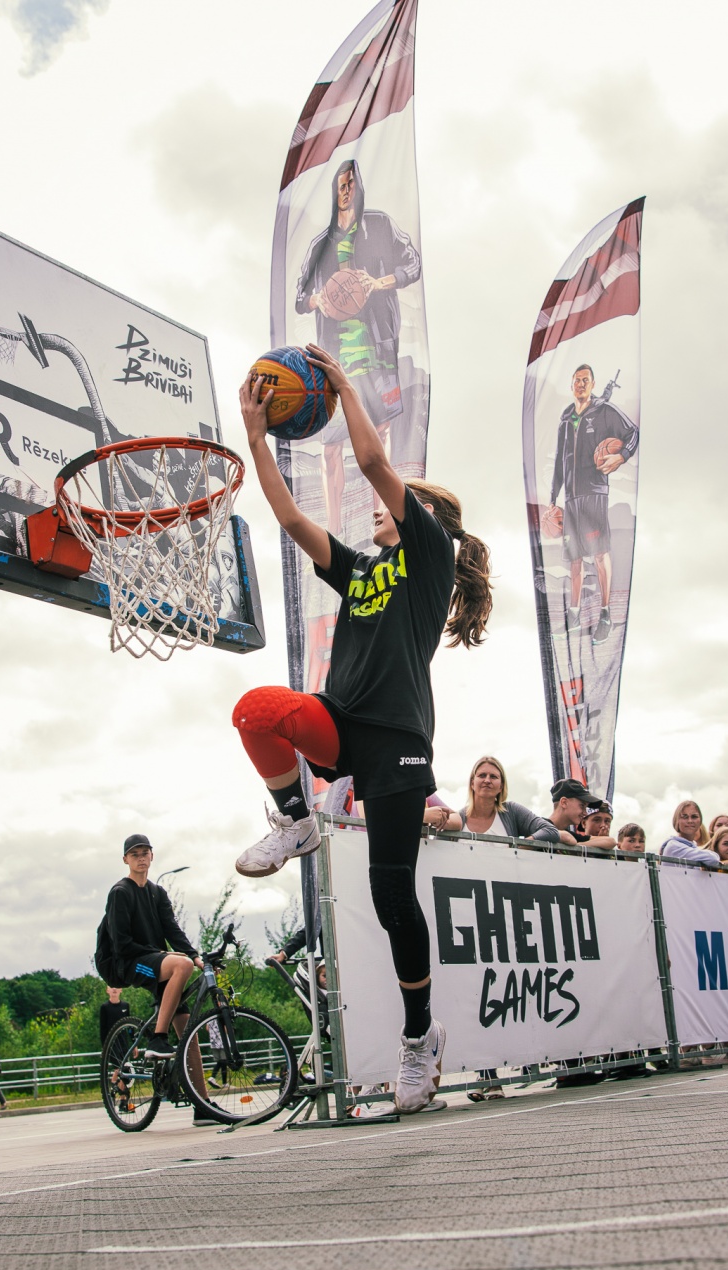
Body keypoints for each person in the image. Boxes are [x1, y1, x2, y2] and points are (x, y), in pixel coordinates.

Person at [233, 345, 493, 1113]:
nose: (378, 507)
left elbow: (375, 463)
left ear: (422, 519)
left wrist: (343, 385)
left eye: (392, 504)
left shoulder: (429, 557)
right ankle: (296, 822)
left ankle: (419, 1037)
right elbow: (290, 518)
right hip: (343, 723)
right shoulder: (360, 570)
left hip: (398, 742)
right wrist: (256, 437)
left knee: (391, 897)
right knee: (257, 710)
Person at [296, 158, 422, 532]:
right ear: (334, 191)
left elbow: (413, 264)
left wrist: (377, 283)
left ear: (359, 187)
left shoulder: (380, 226)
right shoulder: (320, 246)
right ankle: (334, 529)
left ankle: (381, 517)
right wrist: (318, 299)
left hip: (378, 348)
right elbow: (300, 298)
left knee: (380, 432)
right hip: (336, 360)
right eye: (341, 185)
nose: (347, 190)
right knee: (330, 445)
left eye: (351, 183)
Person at [543, 363, 639, 644]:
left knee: (599, 553)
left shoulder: (604, 410)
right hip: (571, 497)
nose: (581, 384)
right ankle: (574, 615)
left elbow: (633, 433)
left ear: (593, 384)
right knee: (575, 559)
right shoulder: (566, 418)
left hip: (595, 492)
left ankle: (605, 615)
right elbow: (560, 459)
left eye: (585, 380)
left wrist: (621, 456)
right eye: (577, 380)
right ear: (572, 385)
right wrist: (553, 498)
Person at [96, 835, 202, 1064]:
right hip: (128, 964)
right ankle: (158, 1037)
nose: (141, 858)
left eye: (145, 853)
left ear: (152, 856)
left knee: (189, 1036)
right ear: (125, 859)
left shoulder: (157, 892)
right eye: (134, 854)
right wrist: (166, 954)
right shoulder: (120, 892)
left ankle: (198, 1089)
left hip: (155, 962)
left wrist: (196, 956)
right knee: (182, 965)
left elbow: (172, 929)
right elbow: (121, 943)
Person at [426, 755, 559, 843]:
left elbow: (551, 831)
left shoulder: (512, 811)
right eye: (482, 775)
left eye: (493, 777)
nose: (487, 780)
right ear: (472, 783)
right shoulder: (458, 818)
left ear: (501, 786)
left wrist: (521, 847)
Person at [99, 985, 133, 1113]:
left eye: (116, 987)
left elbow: (130, 1025)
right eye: (111, 987)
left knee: (125, 1071)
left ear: (121, 990)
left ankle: (121, 1099)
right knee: (119, 1069)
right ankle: (115, 1090)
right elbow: (103, 1029)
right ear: (107, 990)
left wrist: (133, 1043)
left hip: (123, 1042)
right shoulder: (105, 1007)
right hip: (112, 1044)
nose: (114, 989)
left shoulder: (125, 1006)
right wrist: (104, 1047)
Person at [659, 801, 721, 868]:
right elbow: (713, 859)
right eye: (685, 817)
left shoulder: (692, 847)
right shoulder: (674, 846)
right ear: (676, 821)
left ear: (700, 821)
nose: (690, 821)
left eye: (694, 817)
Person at [546, 777, 604, 846]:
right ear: (564, 803)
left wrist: (577, 846)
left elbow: (610, 841)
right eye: (582, 805)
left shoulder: (570, 836)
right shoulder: (537, 827)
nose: (585, 813)